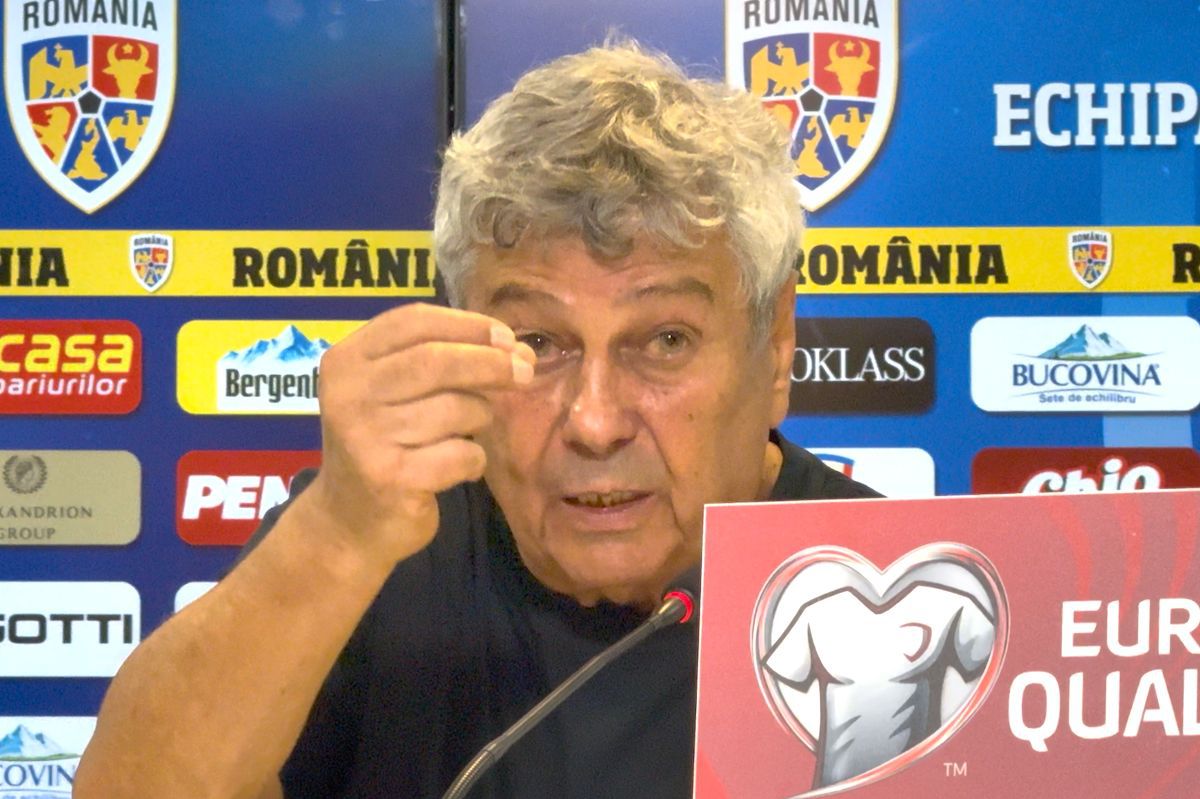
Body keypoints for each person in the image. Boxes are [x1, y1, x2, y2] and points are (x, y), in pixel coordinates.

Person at [74, 41, 878, 798]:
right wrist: (336, 535)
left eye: (665, 340)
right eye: (538, 343)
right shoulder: (376, 539)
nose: (595, 422)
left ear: (775, 348)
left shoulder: (896, 584)